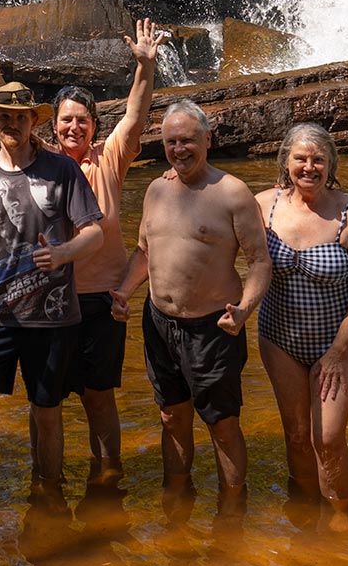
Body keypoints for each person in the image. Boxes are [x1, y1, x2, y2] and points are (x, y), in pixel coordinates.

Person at [0, 16, 162, 486]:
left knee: (97, 394)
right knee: (45, 399)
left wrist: (144, 68)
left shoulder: (109, 158)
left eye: (83, 120)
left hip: (95, 297)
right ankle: (43, 480)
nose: (74, 126)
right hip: (43, 299)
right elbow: (9, 115)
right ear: (52, 126)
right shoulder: (44, 163)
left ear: (94, 126)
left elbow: (134, 114)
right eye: (66, 119)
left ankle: (107, 472)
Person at [112, 100, 270, 514]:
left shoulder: (232, 193)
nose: (180, 150)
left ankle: (232, 512)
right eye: (171, 142)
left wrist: (245, 310)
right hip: (160, 323)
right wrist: (124, 292)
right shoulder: (157, 189)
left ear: (208, 140)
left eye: (188, 141)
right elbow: (145, 251)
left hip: (214, 328)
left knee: (222, 424)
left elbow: (259, 261)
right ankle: (176, 505)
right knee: (171, 416)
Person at [0, 81, 105, 505]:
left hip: (52, 315)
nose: (12, 123)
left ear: (33, 121)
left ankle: (49, 493)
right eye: (4, 116)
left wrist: (61, 254)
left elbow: (94, 233)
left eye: (20, 116)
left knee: (47, 413)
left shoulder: (62, 170)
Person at [253, 123, 348, 525]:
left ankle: (342, 518)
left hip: (338, 342)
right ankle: (304, 512)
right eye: (300, 159)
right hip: (279, 338)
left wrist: (337, 351)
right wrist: (178, 176)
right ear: (285, 162)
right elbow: (211, 214)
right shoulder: (263, 206)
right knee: (295, 435)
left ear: (331, 165)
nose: (309, 167)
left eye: (318, 160)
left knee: (328, 438)